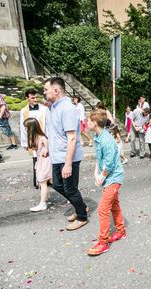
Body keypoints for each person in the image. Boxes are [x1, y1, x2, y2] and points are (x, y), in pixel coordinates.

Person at [44, 77, 88, 231]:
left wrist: (68, 164)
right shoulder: (54, 107)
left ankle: (82, 216)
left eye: (46, 89)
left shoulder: (67, 108)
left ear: (56, 90)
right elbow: (56, 133)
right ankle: (81, 206)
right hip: (57, 157)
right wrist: (48, 148)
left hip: (68, 157)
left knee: (70, 188)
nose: (44, 92)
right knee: (57, 185)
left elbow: (72, 137)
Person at [86, 109, 126, 256]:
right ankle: (121, 230)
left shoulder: (106, 139)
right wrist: (96, 173)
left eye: (89, 120)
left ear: (95, 123)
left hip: (113, 177)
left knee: (103, 210)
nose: (86, 123)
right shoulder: (98, 136)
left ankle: (103, 243)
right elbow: (100, 158)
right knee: (114, 206)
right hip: (108, 177)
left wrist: (101, 177)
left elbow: (109, 164)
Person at [20, 88, 50, 189]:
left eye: (36, 97)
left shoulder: (44, 109)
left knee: (46, 159)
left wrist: (49, 139)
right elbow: (23, 127)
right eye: (32, 98)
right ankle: (38, 181)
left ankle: (48, 179)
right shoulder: (24, 111)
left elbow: (48, 125)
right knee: (36, 160)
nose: (35, 100)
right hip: (32, 139)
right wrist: (25, 143)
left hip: (43, 138)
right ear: (27, 98)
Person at [24, 117, 52, 212]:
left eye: (26, 127)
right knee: (52, 182)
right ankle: (70, 196)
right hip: (40, 161)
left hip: (45, 161)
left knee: (43, 182)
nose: (25, 129)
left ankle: (42, 204)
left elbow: (49, 148)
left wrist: (45, 150)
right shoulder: (35, 138)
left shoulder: (42, 138)